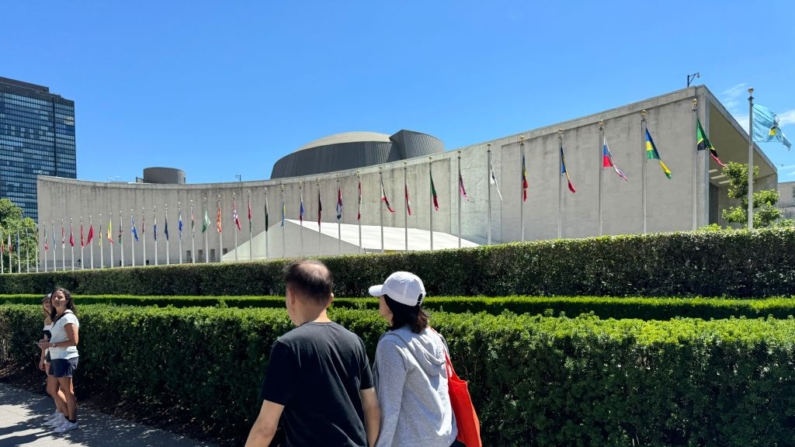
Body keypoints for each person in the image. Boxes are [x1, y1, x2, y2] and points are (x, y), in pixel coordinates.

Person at [245, 260, 380, 447]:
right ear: (330, 299)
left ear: (291, 296)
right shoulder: (354, 341)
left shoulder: (288, 346)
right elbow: (371, 408)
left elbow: (266, 427)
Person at [369, 271, 458, 447]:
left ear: (391, 303)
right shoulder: (434, 336)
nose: (378, 299)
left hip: (409, 441)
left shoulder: (391, 345)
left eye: (382, 295)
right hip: (443, 437)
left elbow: (389, 406)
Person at [38, 287, 80, 433]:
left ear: (67, 300)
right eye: (54, 297)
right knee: (58, 390)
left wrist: (51, 344)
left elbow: (74, 341)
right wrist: (46, 345)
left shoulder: (68, 317)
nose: (55, 299)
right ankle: (66, 418)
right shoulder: (58, 317)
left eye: (59, 297)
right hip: (56, 357)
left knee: (67, 391)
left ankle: (72, 421)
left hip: (65, 358)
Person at [38, 294, 68, 427]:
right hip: (49, 356)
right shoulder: (46, 320)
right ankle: (59, 412)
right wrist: (42, 358)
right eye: (45, 303)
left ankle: (65, 415)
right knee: (53, 388)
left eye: (49, 302)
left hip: (59, 355)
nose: (47, 304)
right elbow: (45, 341)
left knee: (58, 388)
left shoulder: (60, 318)